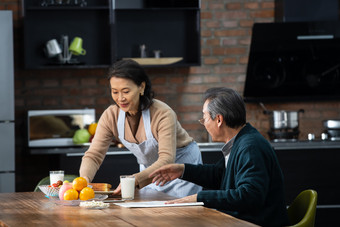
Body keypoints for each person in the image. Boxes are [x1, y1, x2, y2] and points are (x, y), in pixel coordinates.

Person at [150, 87, 289, 227]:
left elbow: (249, 197)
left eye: (204, 118)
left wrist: (199, 197)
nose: (204, 124)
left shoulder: (250, 147)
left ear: (218, 119)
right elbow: (220, 174)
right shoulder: (242, 141)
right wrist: (183, 170)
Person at [79, 59, 202, 197]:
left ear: (141, 87)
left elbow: (167, 159)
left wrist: (135, 180)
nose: (120, 98)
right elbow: (94, 155)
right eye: (115, 92)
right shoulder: (111, 116)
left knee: (180, 215)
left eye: (126, 91)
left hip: (181, 170)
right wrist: (83, 181)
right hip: (149, 172)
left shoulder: (162, 113)